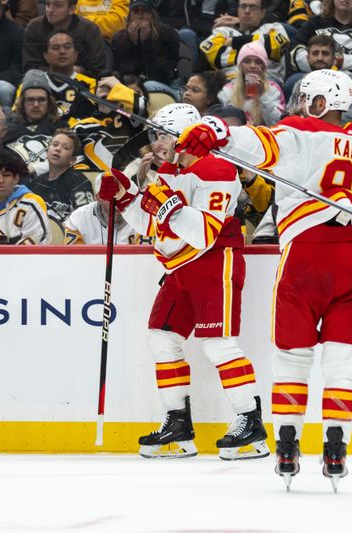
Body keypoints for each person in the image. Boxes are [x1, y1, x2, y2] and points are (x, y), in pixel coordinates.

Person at [174, 69, 352, 487]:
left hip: (306, 255)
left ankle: (288, 443)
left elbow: (252, 142)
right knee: (344, 359)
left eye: (305, 99)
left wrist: (214, 130)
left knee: (292, 356)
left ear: (319, 102)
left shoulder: (300, 132)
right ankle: (336, 444)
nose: (299, 106)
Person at [98, 103, 269, 460]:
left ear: (184, 136)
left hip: (214, 262)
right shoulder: (170, 171)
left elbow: (204, 233)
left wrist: (166, 205)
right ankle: (178, 425)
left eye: (163, 135)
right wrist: (126, 197)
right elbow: (153, 227)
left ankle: (251, 425)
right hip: (178, 267)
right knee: (162, 339)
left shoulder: (217, 168)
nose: (156, 143)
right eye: (154, 135)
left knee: (218, 345)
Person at [288, 0, 352, 94]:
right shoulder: (315, 23)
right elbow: (296, 50)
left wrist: (340, 62)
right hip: (315, 73)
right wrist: (320, 64)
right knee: (293, 81)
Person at [199, 0, 290, 83]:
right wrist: (259, 52)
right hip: (229, 82)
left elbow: (273, 47)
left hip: (266, 82)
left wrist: (235, 43)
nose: (247, 11)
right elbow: (213, 55)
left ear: (262, 13)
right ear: (238, 10)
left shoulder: (274, 28)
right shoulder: (223, 32)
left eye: (252, 7)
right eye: (243, 6)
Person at [110, 0, 181, 98]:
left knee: (148, 86)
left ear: (153, 15)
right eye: (136, 12)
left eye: (145, 11)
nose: (140, 16)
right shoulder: (119, 38)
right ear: (130, 15)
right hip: (130, 82)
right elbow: (119, 68)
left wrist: (144, 43)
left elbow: (164, 71)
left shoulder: (169, 35)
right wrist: (133, 43)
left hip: (165, 83)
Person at [286, 34, 352, 123]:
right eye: (315, 53)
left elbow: (348, 118)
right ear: (308, 58)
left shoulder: (347, 79)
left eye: (325, 53)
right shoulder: (302, 82)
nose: (320, 58)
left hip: (342, 133)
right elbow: (291, 113)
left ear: (334, 59)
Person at [4, 69, 68, 171]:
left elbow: (73, 159)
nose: (36, 105)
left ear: (49, 102)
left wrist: (37, 169)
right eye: (30, 100)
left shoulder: (62, 129)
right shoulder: (8, 130)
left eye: (41, 100)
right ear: (22, 102)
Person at [22, 0, 106, 76]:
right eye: (47, 4)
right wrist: (65, 71)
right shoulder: (34, 27)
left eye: (57, 5)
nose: (50, 10)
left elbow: (97, 69)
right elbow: (30, 67)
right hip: (43, 83)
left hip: (82, 84)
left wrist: (71, 72)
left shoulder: (89, 30)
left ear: (72, 9)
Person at [28, 129, 93, 221]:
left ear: (73, 160)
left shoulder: (80, 183)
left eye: (65, 148)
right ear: (47, 152)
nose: (58, 149)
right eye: (55, 145)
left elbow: (86, 219)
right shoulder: (37, 182)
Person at [219, 41, 285, 126]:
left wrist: (263, 96)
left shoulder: (273, 89)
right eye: (247, 61)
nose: (252, 66)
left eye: (258, 62)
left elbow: (277, 123)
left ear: (264, 67)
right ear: (240, 66)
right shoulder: (227, 90)